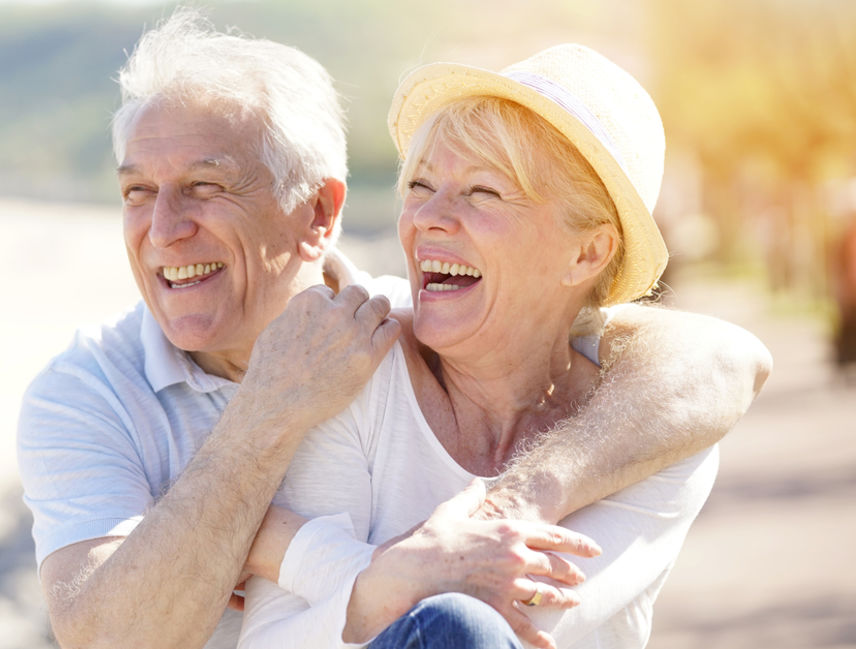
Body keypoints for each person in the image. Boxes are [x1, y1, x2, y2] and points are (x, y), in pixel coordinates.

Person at [17, 12, 772, 649]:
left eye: (204, 187)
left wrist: (287, 542)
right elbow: (110, 636)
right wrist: (269, 414)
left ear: (320, 213)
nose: (162, 229)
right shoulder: (91, 391)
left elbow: (723, 357)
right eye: (136, 193)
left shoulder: (379, 352)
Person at [235, 44, 766, 649]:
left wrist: (293, 549)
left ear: (586, 253)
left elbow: (510, 616)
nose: (428, 217)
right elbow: (272, 640)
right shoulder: (360, 372)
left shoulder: (655, 432)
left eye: (483, 192)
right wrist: (392, 573)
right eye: (421, 185)